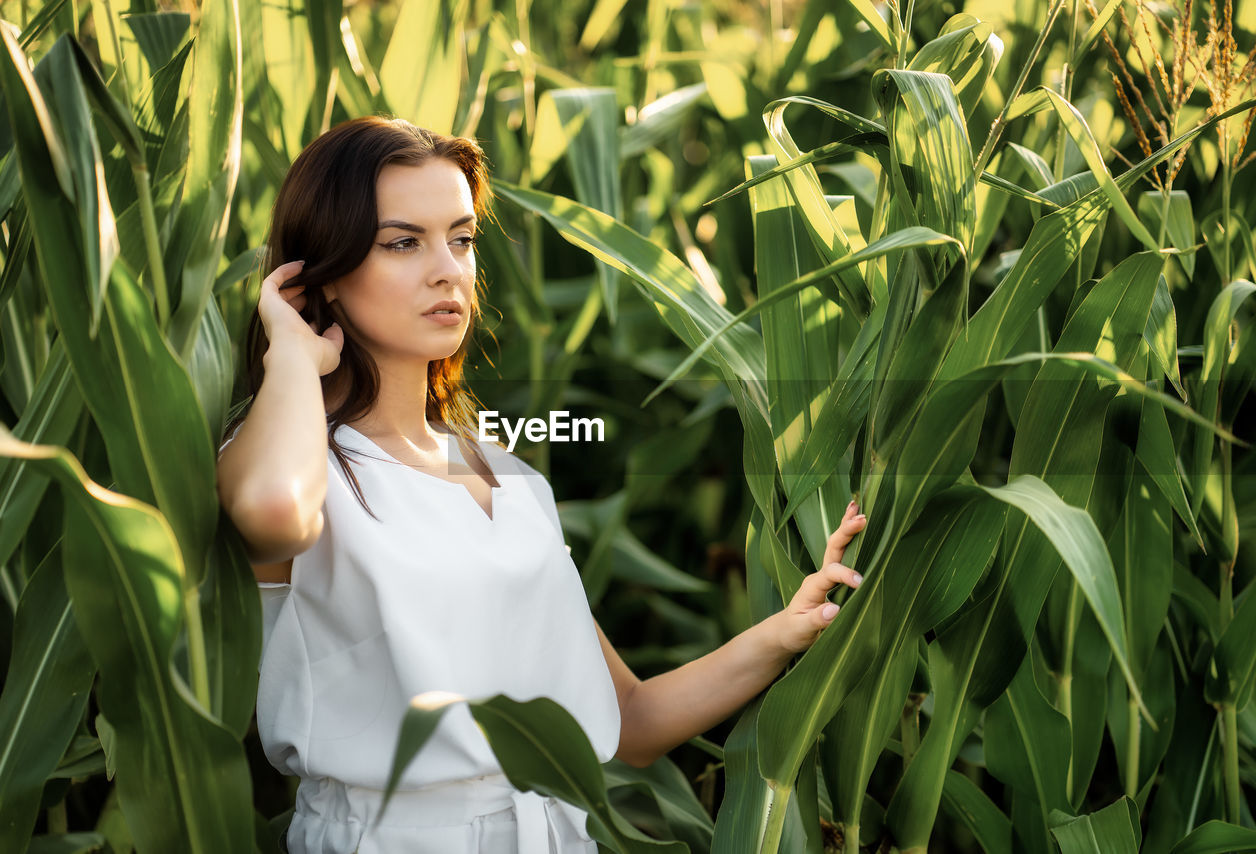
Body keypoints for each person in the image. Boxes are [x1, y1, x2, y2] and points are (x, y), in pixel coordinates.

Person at [216, 116, 868, 854]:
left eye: (461, 238)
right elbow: (273, 513)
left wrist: (788, 629)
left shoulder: (509, 478)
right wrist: (295, 358)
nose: (448, 270)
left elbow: (628, 720)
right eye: (404, 242)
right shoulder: (300, 467)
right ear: (321, 274)